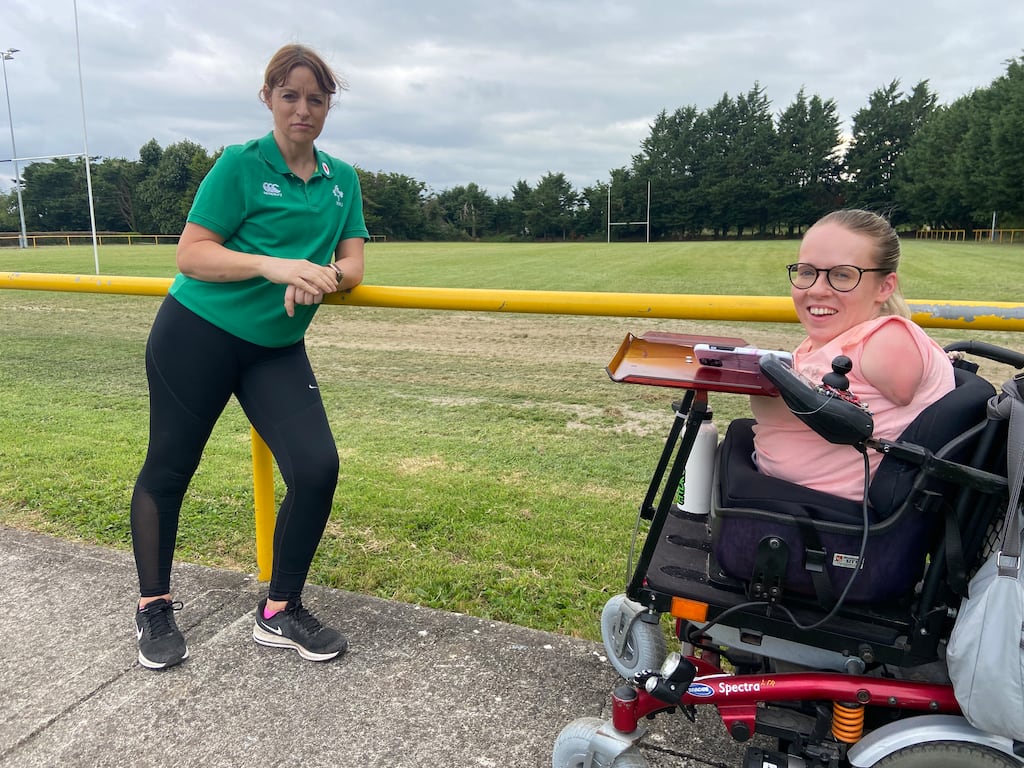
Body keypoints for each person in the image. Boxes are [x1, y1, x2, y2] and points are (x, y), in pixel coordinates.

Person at [130, 43, 369, 669]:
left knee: (317, 468)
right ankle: (153, 604)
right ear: (268, 98)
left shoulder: (341, 179)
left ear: (327, 107)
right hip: (197, 333)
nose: (303, 109)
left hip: (276, 349)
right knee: (171, 467)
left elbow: (353, 264)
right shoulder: (240, 164)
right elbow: (192, 254)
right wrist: (271, 265)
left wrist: (323, 276)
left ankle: (279, 611)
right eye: (289, 95)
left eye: (316, 98)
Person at [751, 209, 954, 500]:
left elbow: (902, 386)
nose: (817, 289)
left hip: (823, 516)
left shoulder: (888, 339)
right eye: (807, 272)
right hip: (780, 498)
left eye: (842, 275)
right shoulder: (832, 339)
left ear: (884, 286)